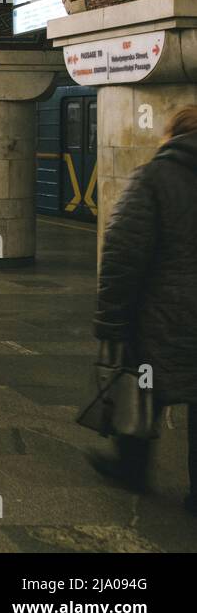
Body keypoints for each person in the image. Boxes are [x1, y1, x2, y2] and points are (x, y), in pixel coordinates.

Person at [88, 106, 197, 513]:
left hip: (162, 314)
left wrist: (111, 319)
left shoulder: (154, 177)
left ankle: (132, 467)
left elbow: (123, 252)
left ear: (171, 134)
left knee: (141, 385)